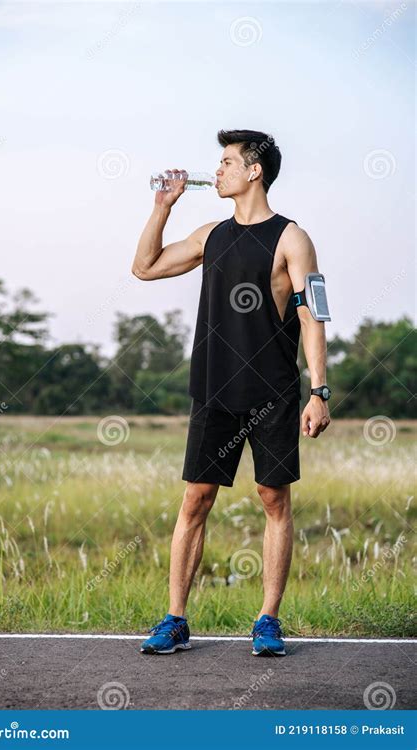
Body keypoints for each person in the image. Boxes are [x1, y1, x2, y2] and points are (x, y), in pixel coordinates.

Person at [131, 129, 331, 656]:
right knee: (195, 499)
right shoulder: (211, 235)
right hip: (214, 390)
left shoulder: (293, 238)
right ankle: (175, 619)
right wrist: (162, 208)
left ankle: (268, 620)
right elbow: (144, 267)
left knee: (273, 498)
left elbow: (314, 317)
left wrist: (320, 391)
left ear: (254, 171)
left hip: (275, 392)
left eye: (225, 162)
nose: (216, 171)